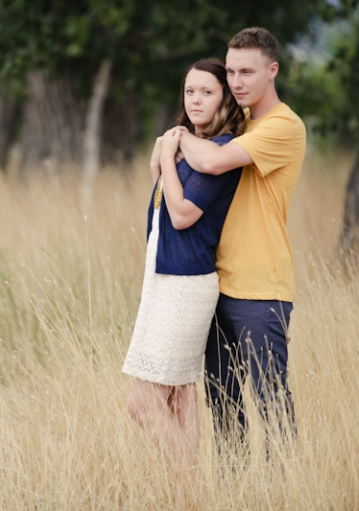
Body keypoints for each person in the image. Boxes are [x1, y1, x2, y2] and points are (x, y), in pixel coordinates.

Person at [174, 27, 307, 455]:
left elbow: (210, 161)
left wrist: (177, 138)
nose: (236, 81)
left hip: (261, 287)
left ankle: (282, 495)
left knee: (271, 403)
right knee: (222, 403)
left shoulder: (284, 126)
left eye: (247, 71)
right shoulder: (239, 123)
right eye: (230, 71)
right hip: (217, 284)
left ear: (273, 70)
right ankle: (237, 494)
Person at [122, 58, 244, 504]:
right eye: (190, 91)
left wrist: (169, 158)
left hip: (186, 284)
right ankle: (187, 500)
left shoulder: (222, 151)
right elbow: (157, 200)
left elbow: (181, 213)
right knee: (178, 397)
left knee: (142, 402)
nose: (195, 100)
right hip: (163, 279)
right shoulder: (187, 146)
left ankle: (191, 494)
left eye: (207, 92)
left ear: (224, 98)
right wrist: (166, 157)